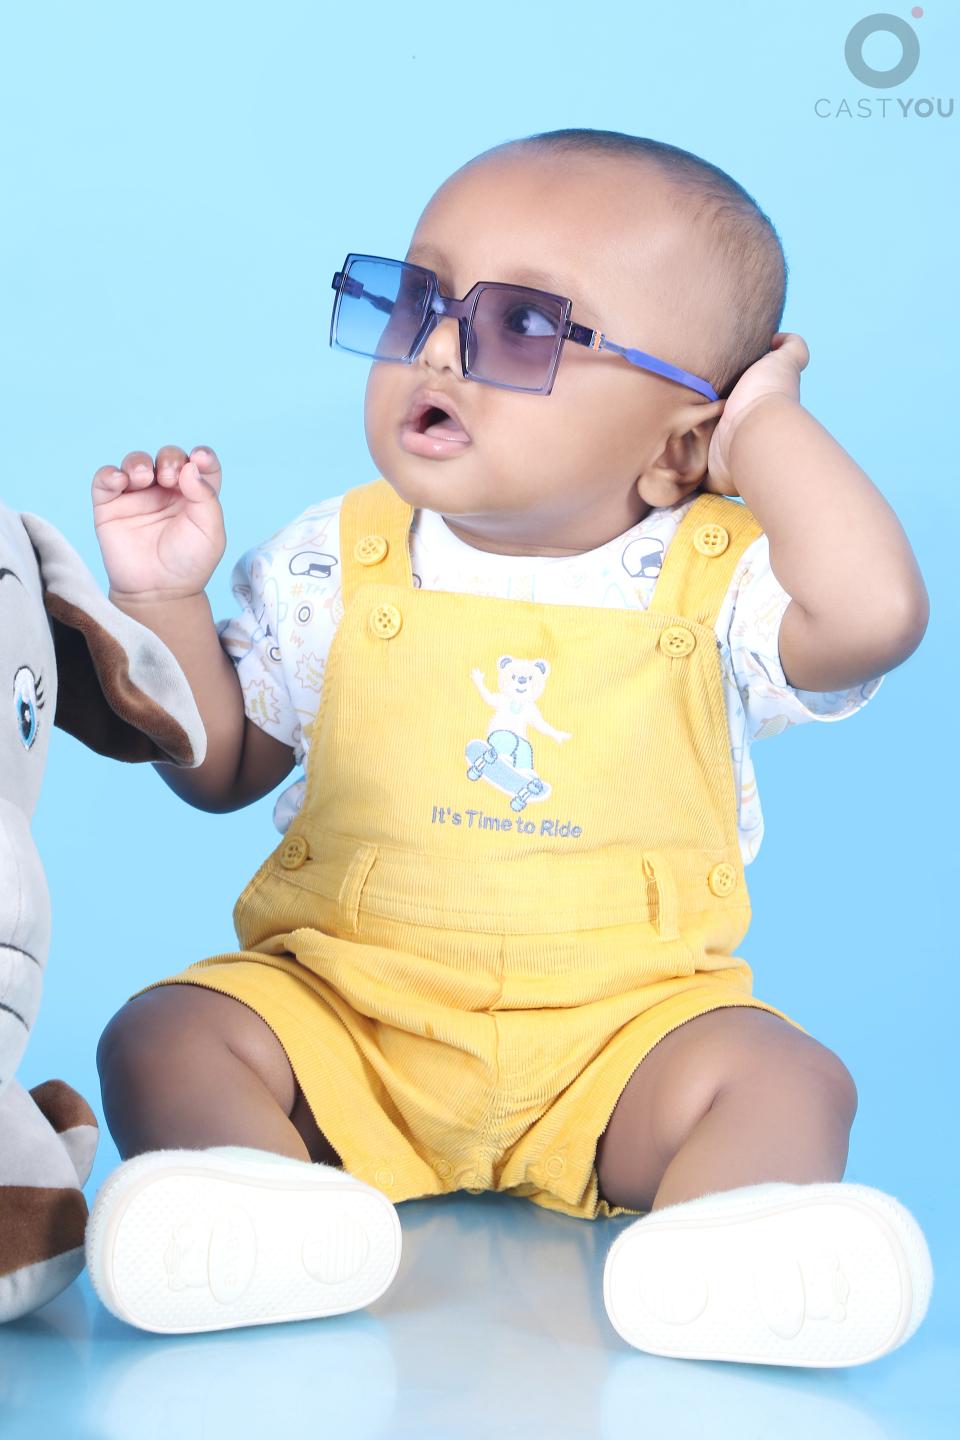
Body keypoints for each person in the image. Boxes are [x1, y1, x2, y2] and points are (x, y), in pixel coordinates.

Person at [84, 128, 933, 1363]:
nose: (436, 348)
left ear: (680, 443)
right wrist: (165, 602)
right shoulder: (334, 558)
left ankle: (726, 1252)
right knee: (163, 1032)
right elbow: (223, 771)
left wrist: (764, 430)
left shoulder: (725, 581)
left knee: (788, 1077)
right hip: (352, 1023)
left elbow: (876, 615)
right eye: (417, 301)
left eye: (524, 325)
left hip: (620, 1043)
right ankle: (262, 1213)